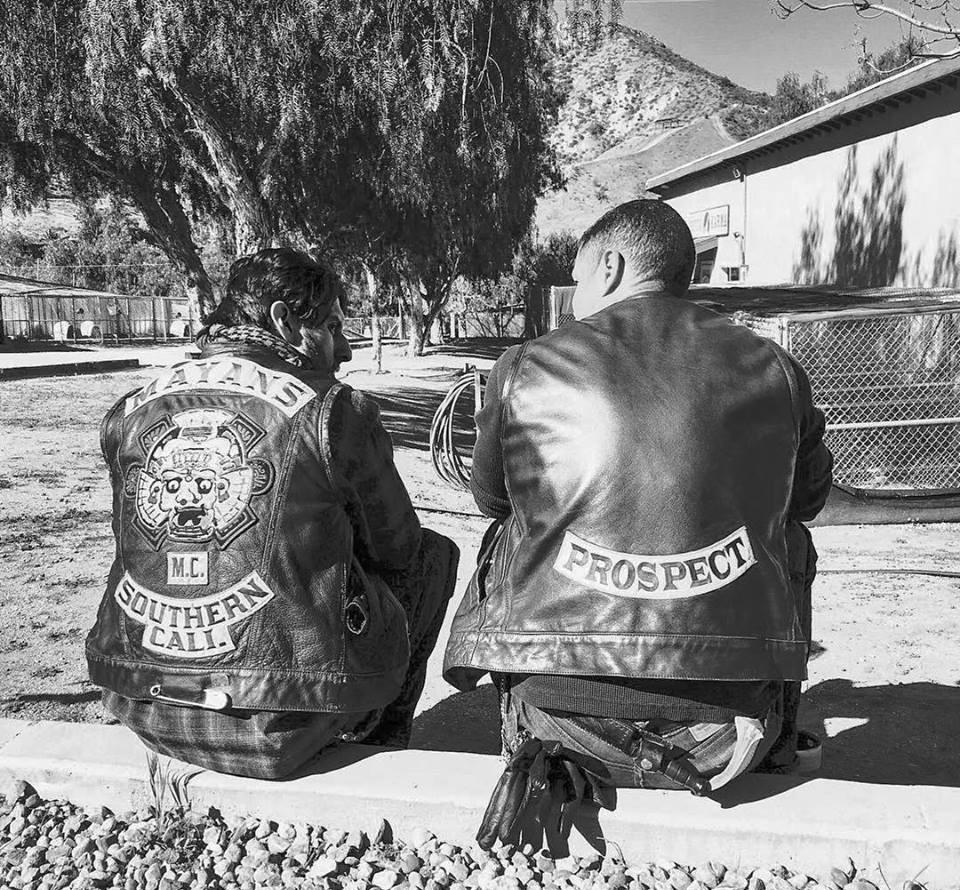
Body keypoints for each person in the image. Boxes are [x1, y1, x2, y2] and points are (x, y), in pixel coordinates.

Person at [443, 200, 833, 843]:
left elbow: (491, 498)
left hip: (556, 725)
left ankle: (523, 712)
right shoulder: (776, 370)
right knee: (789, 538)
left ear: (610, 266)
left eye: (576, 279)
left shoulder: (525, 368)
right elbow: (808, 500)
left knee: (510, 528)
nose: (574, 302)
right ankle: (780, 729)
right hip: (726, 738)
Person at [87, 247, 459, 779]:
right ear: (284, 320)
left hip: (138, 700)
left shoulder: (129, 408)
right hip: (287, 720)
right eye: (332, 327)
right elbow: (397, 547)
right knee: (432, 555)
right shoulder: (334, 408)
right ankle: (374, 738)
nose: (344, 349)